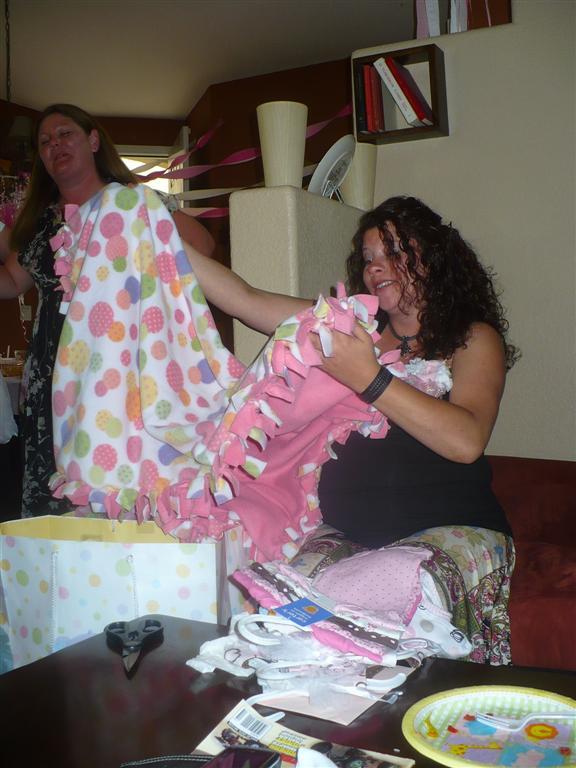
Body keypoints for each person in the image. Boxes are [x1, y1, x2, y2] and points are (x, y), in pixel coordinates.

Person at [182, 195, 519, 664]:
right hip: (350, 532)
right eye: (368, 258)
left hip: (452, 526)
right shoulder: (348, 330)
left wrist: (368, 377)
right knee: (280, 600)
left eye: (393, 252)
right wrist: (155, 230)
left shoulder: (473, 338)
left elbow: (466, 441)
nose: (375, 267)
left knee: (377, 582)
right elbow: (245, 300)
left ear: (434, 258)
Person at [0, 103, 216, 518]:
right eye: (45, 142)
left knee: (111, 477)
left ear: (94, 140)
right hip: (51, 376)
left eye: (65, 134)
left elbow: (201, 245)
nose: (55, 145)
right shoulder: (41, 223)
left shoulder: (132, 202)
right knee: (53, 500)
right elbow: (12, 281)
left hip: (116, 368)